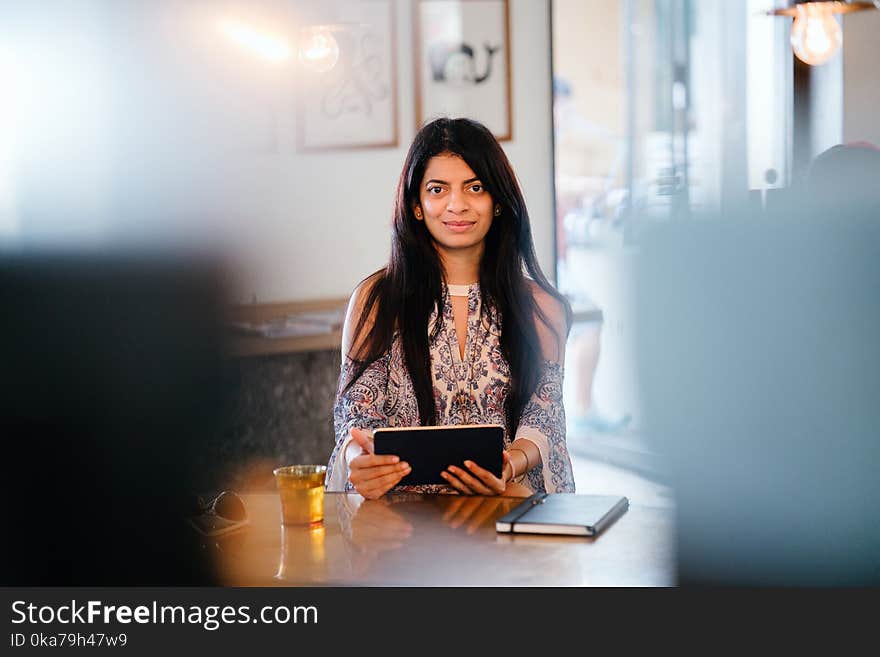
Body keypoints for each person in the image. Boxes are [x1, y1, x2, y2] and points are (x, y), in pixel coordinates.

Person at [325, 117, 576, 499]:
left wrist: (510, 464)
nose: (457, 205)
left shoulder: (541, 308)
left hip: (507, 512)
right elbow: (355, 412)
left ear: (497, 203)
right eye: (438, 189)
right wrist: (362, 458)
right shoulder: (377, 299)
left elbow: (545, 416)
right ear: (417, 206)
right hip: (399, 521)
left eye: (475, 187)